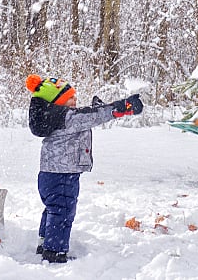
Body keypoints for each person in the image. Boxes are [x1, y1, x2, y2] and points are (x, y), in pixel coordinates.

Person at [26, 74, 144, 263]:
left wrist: (102, 109)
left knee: (53, 209)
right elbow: (90, 117)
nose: (75, 100)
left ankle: (45, 243)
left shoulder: (57, 118)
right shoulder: (67, 118)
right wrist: (119, 107)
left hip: (50, 174)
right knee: (63, 212)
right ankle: (54, 252)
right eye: (70, 98)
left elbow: (86, 116)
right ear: (57, 102)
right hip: (62, 175)